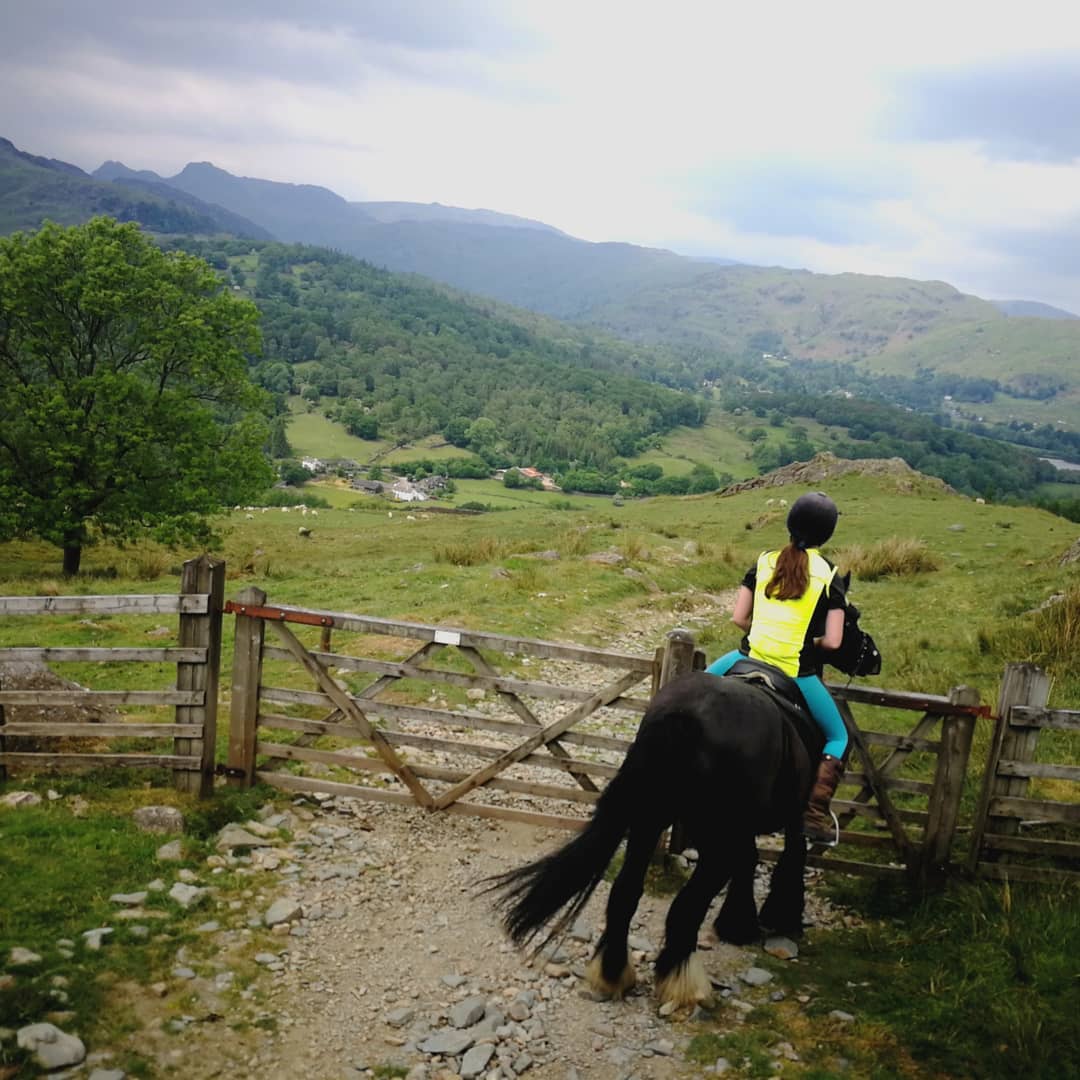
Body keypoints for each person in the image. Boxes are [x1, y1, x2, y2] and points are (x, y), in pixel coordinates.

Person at [706, 491, 848, 843]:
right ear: (826, 533)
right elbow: (833, 642)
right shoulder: (829, 574)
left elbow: (739, 618)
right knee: (839, 736)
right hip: (795, 671)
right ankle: (814, 815)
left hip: (746, 657)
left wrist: (763, 635)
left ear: (789, 524)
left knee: (689, 693)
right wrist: (808, 644)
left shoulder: (764, 561)